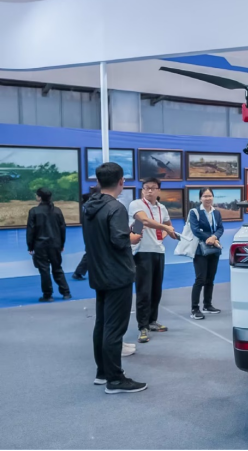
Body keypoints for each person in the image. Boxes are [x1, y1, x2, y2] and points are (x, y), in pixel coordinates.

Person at [83, 162, 147, 394]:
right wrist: (133, 237)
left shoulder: (89, 206)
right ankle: (115, 380)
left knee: (102, 324)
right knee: (114, 328)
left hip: (99, 272)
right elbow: (120, 241)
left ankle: (103, 373)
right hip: (118, 274)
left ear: (98, 181)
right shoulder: (116, 208)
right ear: (121, 181)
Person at [129, 177, 178, 344]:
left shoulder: (162, 208)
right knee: (144, 291)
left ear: (158, 190)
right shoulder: (136, 204)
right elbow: (143, 221)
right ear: (142, 190)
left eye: (153, 188)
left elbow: (169, 225)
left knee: (156, 290)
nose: (149, 190)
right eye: (146, 188)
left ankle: (152, 321)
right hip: (142, 252)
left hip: (158, 252)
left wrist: (164, 235)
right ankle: (142, 326)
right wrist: (165, 228)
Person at [27, 188, 72, 302]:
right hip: (55, 244)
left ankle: (48, 295)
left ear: (39, 197)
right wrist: (62, 244)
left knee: (44, 270)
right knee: (57, 268)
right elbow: (62, 228)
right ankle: (66, 292)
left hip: (40, 245)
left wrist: (30, 246)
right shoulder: (57, 211)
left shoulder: (34, 211)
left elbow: (31, 230)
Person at [189, 188, 224, 320]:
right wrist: (208, 238)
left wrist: (214, 237)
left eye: (210, 196)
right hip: (200, 250)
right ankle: (195, 309)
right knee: (200, 279)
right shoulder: (194, 212)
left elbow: (220, 228)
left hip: (214, 249)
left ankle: (207, 305)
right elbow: (195, 230)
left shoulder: (216, 212)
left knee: (210, 278)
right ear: (200, 198)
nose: (208, 198)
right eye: (205, 196)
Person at [73, 185, 101, 281]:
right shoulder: (94, 205)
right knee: (91, 253)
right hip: (95, 233)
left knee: (91, 253)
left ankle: (79, 272)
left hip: (90, 232)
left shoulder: (88, 205)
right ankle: (79, 272)